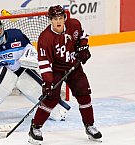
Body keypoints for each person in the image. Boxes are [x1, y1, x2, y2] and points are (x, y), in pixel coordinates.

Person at [0, 18, 69, 127]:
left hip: (17, 67)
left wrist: (31, 59)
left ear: (3, 28)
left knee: (36, 87)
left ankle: (56, 109)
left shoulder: (17, 36)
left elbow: (29, 50)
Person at [28, 5, 102, 144]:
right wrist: (48, 82)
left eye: (61, 18)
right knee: (51, 98)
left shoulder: (74, 24)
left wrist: (83, 47)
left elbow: (82, 36)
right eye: (55, 18)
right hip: (56, 70)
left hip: (74, 67)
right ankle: (35, 127)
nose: (58, 21)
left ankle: (90, 126)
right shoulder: (45, 38)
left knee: (84, 94)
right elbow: (44, 63)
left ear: (64, 18)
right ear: (50, 20)